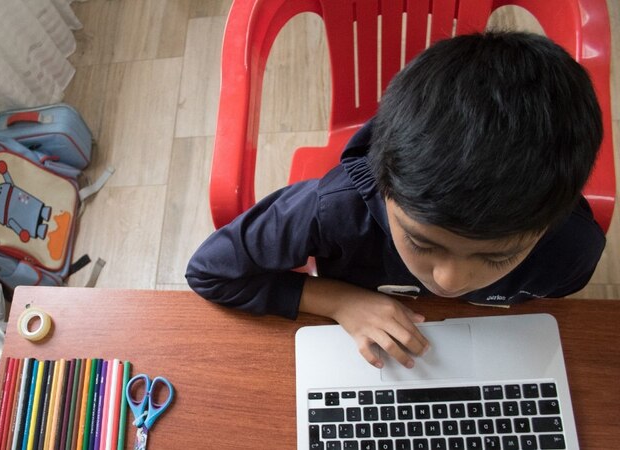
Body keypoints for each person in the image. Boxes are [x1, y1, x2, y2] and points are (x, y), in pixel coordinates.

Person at [185, 31, 605, 370]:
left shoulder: (572, 248)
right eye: (423, 242)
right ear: (382, 183)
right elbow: (210, 272)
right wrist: (338, 301)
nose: (449, 281)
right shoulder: (332, 209)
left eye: (496, 257)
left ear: (550, 223)